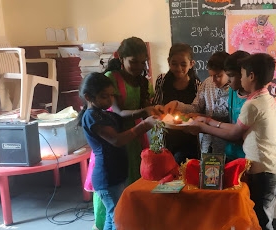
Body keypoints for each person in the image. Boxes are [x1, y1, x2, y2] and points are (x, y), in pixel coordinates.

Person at [185, 53, 276, 230]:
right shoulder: (265, 98)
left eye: (242, 74)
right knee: (259, 215)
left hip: (263, 172)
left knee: (261, 220)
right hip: (269, 168)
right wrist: (208, 121)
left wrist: (202, 128)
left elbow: (234, 134)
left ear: (251, 76)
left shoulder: (251, 105)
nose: (232, 81)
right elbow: (235, 128)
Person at [78, 72, 157, 230]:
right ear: (88, 97)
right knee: (119, 218)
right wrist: (143, 125)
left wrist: (147, 111)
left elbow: (122, 117)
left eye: (111, 96)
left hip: (115, 173)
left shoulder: (102, 113)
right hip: (107, 176)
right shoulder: (92, 117)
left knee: (112, 215)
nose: (109, 100)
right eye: (104, 96)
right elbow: (117, 140)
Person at [104, 36, 160, 184]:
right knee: (119, 180)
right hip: (116, 135)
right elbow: (118, 113)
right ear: (121, 58)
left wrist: (156, 109)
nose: (138, 67)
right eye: (133, 62)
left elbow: (146, 106)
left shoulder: (143, 82)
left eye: (142, 63)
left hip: (136, 135)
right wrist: (145, 111)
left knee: (137, 174)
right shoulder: (111, 78)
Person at [163, 51, 230, 154]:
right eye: (210, 75)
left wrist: (204, 118)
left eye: (218, 76)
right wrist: (177, 104)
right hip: (206, 144)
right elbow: (196, 107)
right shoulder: (207, 83)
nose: (213, 80)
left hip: (227, 145)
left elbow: (232, 121)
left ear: (228, 72)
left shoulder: (235, 90)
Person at [153, 43, 201, 165]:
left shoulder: (196, 85)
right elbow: (157, 103)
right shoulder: (162, 80)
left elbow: (199, 110)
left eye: (183, 64)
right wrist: (158, 109)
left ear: (191, 64)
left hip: (189, 138)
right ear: (168, 62)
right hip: (167, 135)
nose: (178, 68)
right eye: (174, 64)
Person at [224, 50, 250, 162]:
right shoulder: (232, 91)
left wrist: (204, 126)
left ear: (244, 74)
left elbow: (236, 134)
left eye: (231, 76)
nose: (228, 80)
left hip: (246, 158)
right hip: (230, 153)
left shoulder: (253, 101)